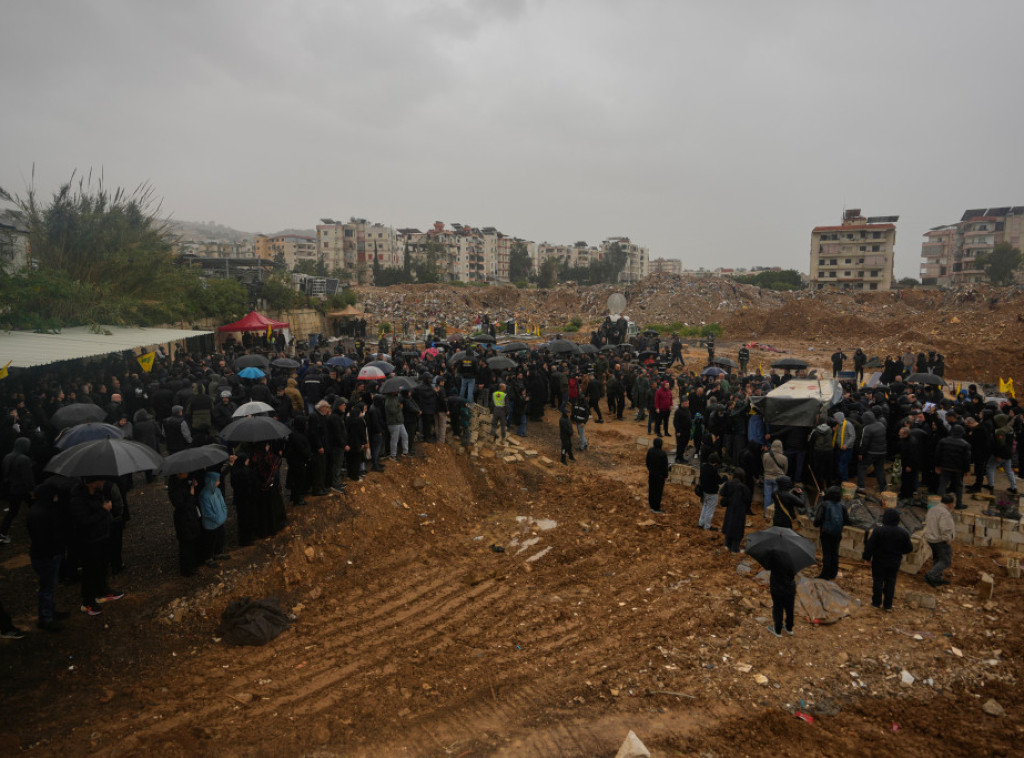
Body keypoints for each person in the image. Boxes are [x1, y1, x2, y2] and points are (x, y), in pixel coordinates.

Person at [862, 508, 914, 611]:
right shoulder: (903, 532)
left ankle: (876, 603)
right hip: (894, 561)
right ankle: (888, 605)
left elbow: (870, 546)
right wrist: (899, 552)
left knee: (878, 581)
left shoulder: (878, 530)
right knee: (891, 582)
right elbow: (909, 548)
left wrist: (866, 558)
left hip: (879, 561)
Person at [0, 436, 34, 543]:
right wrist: (32, 489)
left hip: (11, 488)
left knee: (12, 511)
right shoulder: (24, 459)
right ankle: (35, 528)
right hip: (22, 489)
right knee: (34, 507)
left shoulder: (7, 456)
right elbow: (27, 478)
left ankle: (3, 532)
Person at [169, 471, 202, 577]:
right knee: (186, 544)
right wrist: (191, 493)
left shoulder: (184, 482)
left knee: (192, 541)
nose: (187, 473)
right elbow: (183, 505)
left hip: (190, 516)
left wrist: (193, 486)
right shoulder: (175, 490)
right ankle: (187, 569)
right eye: (184, 472)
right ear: (178, 473)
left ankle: (192, 564)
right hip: (183, 519)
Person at [812, 485, 849, 580]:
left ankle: (825, 575)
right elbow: (846, 520)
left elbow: (817, 520)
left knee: (827, 554)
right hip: (837, 533)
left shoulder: (824, 504)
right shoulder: (842, 506)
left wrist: (819, 525)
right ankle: (833, 573)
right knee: (834, 553)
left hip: (826, 533)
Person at [936, 424, 972, 510]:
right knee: (959, 486)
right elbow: (966, 459)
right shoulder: (965, 444)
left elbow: (937, 454)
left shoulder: (943, 441)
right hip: (958, 469)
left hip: (945, 467)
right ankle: (959, 504)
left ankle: (938, 503)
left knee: (943, 485)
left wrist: (937, 465)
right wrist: (966, 470)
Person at [923, 493, 955, 587]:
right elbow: (946, 529)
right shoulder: (945, 513)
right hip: (939, 540)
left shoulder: (933, 509)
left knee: (937, 558)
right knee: (946, 560)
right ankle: (931, 575)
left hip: (930, 538)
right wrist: (947, 540)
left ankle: (937, 577)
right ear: (950, 504)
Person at [198, 470, 229, 569]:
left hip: (219, 521)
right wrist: (219, 518)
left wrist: (223, 515)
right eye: (217, 480)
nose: (219, 482)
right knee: (210, 541)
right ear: (211, 481)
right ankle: (208, 558)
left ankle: (218, 553)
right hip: (211, 524)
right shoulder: (204, 495)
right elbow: (207, 513)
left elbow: (223, 504)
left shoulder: (218, 491)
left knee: (220, 537)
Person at [720, 467, 751, 552]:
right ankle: (735, 549)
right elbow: (748, 499)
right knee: (737, 530)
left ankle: (727, 546)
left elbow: (722, 492)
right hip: (740, 511)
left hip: (730, 509)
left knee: (729, 525)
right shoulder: (744, 487)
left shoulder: (728, 483)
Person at [766, 554, 797, 639]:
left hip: (777, 588)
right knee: (790, 608)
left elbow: (767, 566)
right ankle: (789, 628)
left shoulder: (774, 555)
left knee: (778, 608)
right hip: (790, 588)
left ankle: (777, 630)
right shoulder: (794, 556)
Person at [761, 439, 788, 519]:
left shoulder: (765, 455)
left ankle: (766, 513)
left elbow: (764, 465)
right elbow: (785, 470)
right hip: (778, 479)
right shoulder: (784, 458)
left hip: (767, 478)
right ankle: (774, 514)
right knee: (776, 498)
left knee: (767, 496)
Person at [697, 452, 722, 530]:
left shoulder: (703, 467)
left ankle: (701, 523)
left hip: (704, 491)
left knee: (705, 507)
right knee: (710, 511)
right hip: (712, 493)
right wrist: (724, 478)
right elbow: (719, 480)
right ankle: (707, 526)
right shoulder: (713, 470)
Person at [645, 437, 669, 513]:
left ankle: (651, 505)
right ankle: (656, 508)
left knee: (652, 489)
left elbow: (647, 462)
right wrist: (666, 475)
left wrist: (650, 469)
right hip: (660, 476)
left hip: (652, 474)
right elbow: (665, 466)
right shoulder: (663, 454)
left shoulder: (650, 451)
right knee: (658, 491)